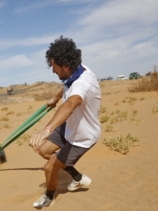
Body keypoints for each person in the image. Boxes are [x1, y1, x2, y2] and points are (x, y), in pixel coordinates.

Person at [29, 36, 101, 208]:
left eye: (54, 66)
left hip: (82, 137)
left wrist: (47, 129)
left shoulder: (83, 84)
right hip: (69, 126)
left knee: (49, 168)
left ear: (65, 66)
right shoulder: (77, 71)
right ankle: (77, 177)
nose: (53, 70)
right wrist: (55, 98)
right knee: (43, 150)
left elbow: (71, 104)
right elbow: (67, 86)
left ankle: (49, 196)